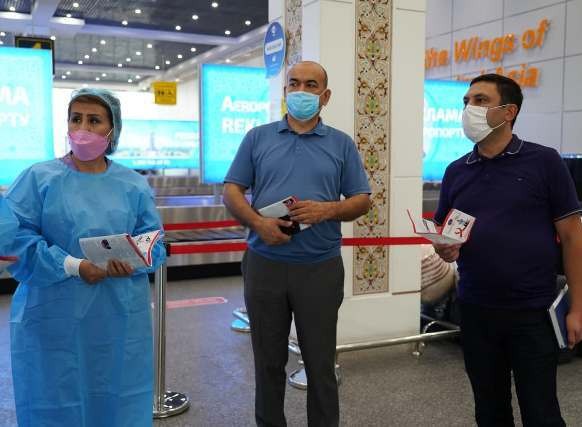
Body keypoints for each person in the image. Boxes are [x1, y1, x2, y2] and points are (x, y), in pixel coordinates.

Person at [5, 88, 166, 427]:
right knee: (55, 395)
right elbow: (14, 238)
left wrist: (133, 258)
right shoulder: (39, 178)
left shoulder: (132, 185)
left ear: (112, 130)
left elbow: (154, 241)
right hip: (53, 315)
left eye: (94, 121)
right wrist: (74, 266)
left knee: (118, 395)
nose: (83, 128)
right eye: (76, 118)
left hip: (118, 315)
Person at [223, 61, 371, 427]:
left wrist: (327, 209)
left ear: (325, 96)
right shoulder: (257, 138)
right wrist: (258, 223)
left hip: (320, 267)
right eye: (294, 83)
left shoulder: (341, 144)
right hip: (264, 264)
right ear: (285, 91)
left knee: (320, 364)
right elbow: (232, 191)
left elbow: (362, 200)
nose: (301, 91)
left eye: (311, 84)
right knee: (267, 362)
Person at [434, 74, 582, 427]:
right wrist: (445, 250)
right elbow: (446, 232)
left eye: (481, 100)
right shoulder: (456, 171)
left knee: (541, 412)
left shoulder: (544, 162)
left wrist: (578, 308)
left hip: (532, 311)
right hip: (475, 309)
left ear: (508, 112)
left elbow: (573, 238)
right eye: (466, 101)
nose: (469, 108)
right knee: (489, 410)